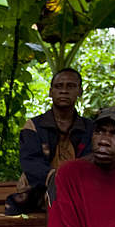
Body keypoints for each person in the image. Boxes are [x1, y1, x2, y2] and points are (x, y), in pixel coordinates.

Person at [6, 67, 93, 216]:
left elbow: (92, 161)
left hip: (81, 188)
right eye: (59, 86)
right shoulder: (33, 126)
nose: (64, 91)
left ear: (80, 92)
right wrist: (57, 180)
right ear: (50, 92)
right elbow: (31, 164)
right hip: (43, 187)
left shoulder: (91, 128)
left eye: (70, 86)